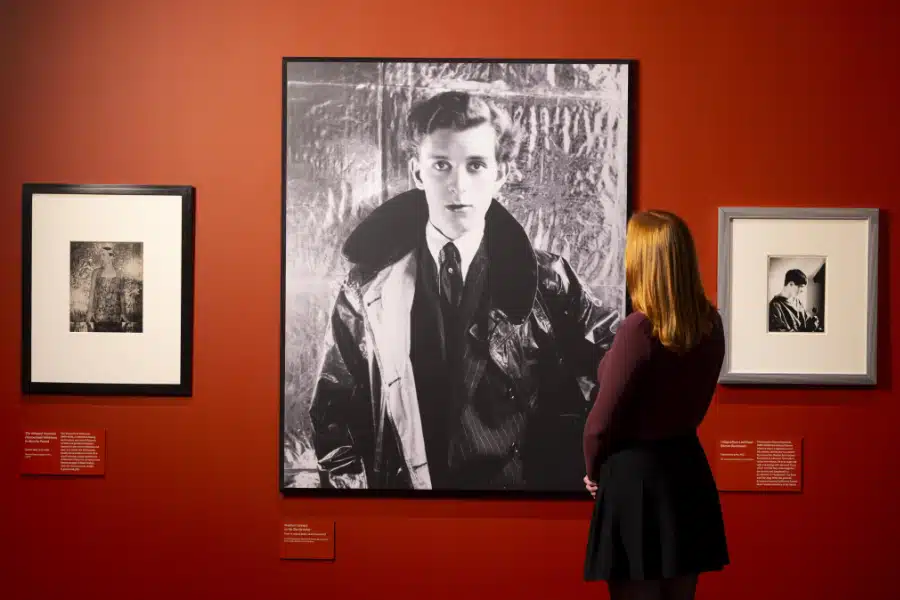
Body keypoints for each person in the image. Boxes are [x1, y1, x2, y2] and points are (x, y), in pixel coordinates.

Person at [307, 90, 620, 491]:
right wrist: (359, 509)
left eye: (475, 165)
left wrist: (597, 460)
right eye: (441, 165)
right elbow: (333, 416)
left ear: (500, 173)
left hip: (524, 509)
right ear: (417, 173)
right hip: (412, 512)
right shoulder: (364, 289)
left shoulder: (549, 279)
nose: (458, 185)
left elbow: (619, 366)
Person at [581, 210, 729, 600]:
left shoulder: (639, 328)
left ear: (644, 259)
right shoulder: (710, 323)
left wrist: (592, 470)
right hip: (686, 474)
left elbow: (599, 425)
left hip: (635, 481)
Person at [86, 243, 129, 333]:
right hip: (99, 317)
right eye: (101, 255)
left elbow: (122, 295)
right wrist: (89, 311)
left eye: (103, 255)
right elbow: (92, 293)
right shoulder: (96, 272)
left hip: (115, 318)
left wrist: (123, 313)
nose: (101, 257)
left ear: (111, 257)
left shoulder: (119, 273)